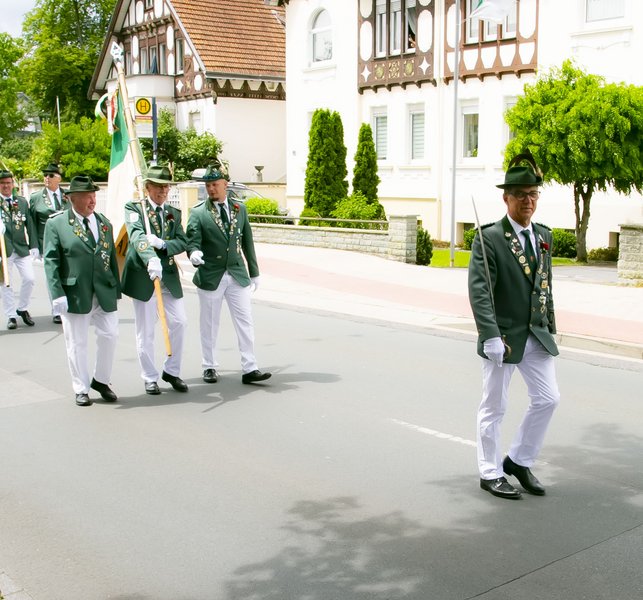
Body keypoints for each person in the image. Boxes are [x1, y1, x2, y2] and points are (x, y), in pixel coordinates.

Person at [468, 155, 560, 500]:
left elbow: (545, 285)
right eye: (520, 194)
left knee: (548, 399)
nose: (528, 201)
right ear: (506, 197)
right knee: (494, 407)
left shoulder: (543, 235)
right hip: (503, 338)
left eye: (533, 194)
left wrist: (549, 324)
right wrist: (489, 335)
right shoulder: (490, 238)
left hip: (536, 334)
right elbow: (480, 291)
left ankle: (519, 460)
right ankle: (490, 472)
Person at [186, 162, 271, 385]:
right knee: (209, 323)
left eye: (215, 184)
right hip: (211, 274)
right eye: (207, 185)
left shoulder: (239, 208)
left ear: (225, 184)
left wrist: (254, 271)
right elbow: (192, 241)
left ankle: (250, 367)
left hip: (236, 273)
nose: (211, 189)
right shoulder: (198, 212)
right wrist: (194, 254)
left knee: (245, 321)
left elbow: (247, 241)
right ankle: (209, 366)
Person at [43, 175, 121, 407]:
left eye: (94, 195)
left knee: (110, 335)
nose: (92, 200)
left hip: (103, 290)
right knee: (77, 342)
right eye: (87, 196)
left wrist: (115, 288)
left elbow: (110, 258)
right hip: (75, 293)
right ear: (72, 199)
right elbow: (51, 261)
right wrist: (56, 293)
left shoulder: (104, 223)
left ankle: (101, 380)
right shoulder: (57, 224)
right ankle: (81, 387)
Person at [122, 165, 189, 395]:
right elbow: (136, 236)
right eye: (158, 186)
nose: (163, 191)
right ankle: (149, 376)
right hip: (144, 274)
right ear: (147, 188)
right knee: (146, 330)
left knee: (180, 322)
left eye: (166, 186)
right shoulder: (135, 209)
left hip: (168, 276)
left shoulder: (173, 213)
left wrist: (163, 244)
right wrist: (150, 257)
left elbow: (182, 241)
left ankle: (172, 370)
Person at [29, 163, 69, 324]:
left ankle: (68, 304)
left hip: (66, 242)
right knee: (52, 275)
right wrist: (33, 245)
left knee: (67, 273)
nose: (47, 178)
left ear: (59, 178)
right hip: (46, 242)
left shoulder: (68, 196)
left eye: (51, 175)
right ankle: (56, 310)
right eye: (45, 175)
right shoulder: (36, 197)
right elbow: (32, 223)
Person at [0, 169, 38, 330]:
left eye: (8, 183)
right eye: (2, 183)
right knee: (5, 283)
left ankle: (22, 308)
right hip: (3, 250)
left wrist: (34, 245)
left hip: (21, 247)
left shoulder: (21, 202)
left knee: (30, 279)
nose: (6, 186)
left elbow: (29, 224)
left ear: (13, 184)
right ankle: (11, 316)